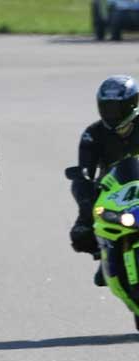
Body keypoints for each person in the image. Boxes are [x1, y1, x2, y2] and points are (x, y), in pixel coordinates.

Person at [69, 75, 139, 286]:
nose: (112, 114)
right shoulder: (93, 134)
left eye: (117, 108)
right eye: (107, 107)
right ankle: (107, 249)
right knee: (80, 233)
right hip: (113, 192)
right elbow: (84, 172)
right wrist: (85, 212)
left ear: (133, 104)